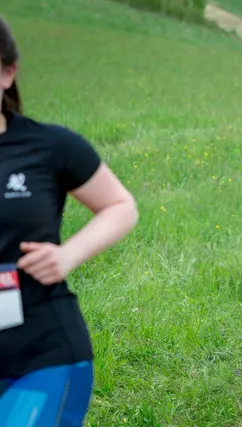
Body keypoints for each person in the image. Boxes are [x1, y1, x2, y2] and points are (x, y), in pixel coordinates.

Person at [0, 16, 138, 425]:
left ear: (8, 73)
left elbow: (120, 206)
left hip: (41, 355)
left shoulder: (48, 147)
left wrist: (68, 254)